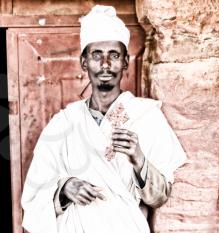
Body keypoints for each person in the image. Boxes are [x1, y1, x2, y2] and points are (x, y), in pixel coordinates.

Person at [21, 5, 187, 233]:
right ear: (84, 62)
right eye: (97, 55)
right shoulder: (64, 123)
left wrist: (138, 157)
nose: (106, 64)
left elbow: (159, 197)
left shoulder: (146, 117)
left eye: (114, 55)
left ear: (126, 62)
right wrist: (65, 187)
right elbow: (33, 197)